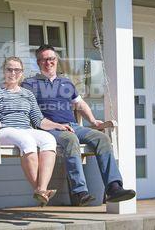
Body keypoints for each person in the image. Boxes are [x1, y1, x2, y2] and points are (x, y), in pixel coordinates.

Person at [21, 45, 136, 206]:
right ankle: (80, 191)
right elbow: (15, 97)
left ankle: (114, 187)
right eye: (44, 60)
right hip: (48, 129)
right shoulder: (30, 84)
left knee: (101, 138)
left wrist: (94, 121)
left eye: (52, 59)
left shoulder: (66, 83)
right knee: (70, 139)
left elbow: (80, 104)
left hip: (73, 125)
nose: (49, 62)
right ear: (39, 62)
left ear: (56, 60)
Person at [0, 56, 73, 206]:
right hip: (3, 130)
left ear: (22, 73)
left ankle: (41, 190)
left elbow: (39, 120)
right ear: (4, 71)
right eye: (9, 69)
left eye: (17, 70)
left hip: (24, 130)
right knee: (26, 140)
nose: (13, 73)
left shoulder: (27, 94)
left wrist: (58, 125)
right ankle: (40, 190)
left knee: (49, 140)